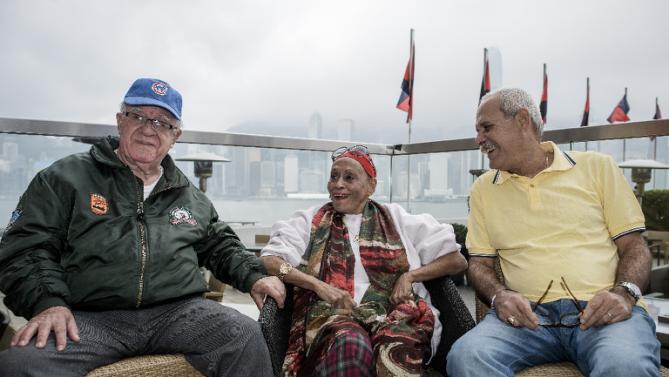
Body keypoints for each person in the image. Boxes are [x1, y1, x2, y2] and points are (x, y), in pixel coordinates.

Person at [0, 78, 285, 377]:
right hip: (88, 317)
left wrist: (254, 277)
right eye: (138, 116)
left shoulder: (189, 195)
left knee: (245, 336)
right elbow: (25, 247)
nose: (149, 129)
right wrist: (48, 302)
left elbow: (220, 245)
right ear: (120, 121)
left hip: (177, 313)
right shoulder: (64, 178)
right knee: (20, 365)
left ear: (175, 136)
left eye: (163, 122)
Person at [447, 88, 660, 376]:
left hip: (602, 312)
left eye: (487, 127)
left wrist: (624, 294)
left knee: (624, 365)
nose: (478, 139)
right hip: (527, 321)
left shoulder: (597, 167)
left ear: (523, 120)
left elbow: (635, 247)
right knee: (466, 358)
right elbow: (479, 264)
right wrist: (499, 296)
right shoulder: (484, 189)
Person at [260, 145, 467, 377]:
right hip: (333, 317)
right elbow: (271, 260)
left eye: (349, 178)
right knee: (351, 346)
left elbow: (456, 261)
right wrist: (318, 285)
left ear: (371, 186)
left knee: (395, 350)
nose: (338, 184)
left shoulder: (399, 219)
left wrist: (410, 276)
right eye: (334, 177)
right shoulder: (309, 221)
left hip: (397, 316)